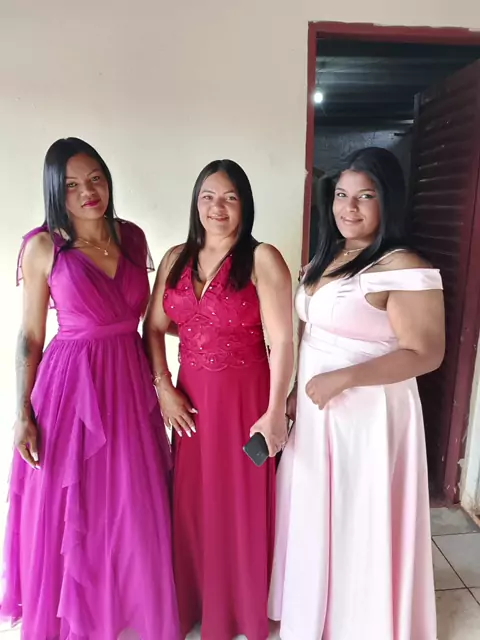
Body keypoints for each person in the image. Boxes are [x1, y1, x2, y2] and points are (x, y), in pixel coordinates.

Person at [0, 138, 180, 640]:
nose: (87, 192)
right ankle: (74, 614)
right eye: (72, 185)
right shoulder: (43, 247)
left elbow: (153, 320)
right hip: (69, 387)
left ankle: (123, 604)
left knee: (130, 498)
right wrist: (22, 412)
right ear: (55, 192)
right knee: (73, 502)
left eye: (95, 178)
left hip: (129, 378)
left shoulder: (134, 238)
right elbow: (30, 335)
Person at [268, 147, 445, 640]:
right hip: (316, 407)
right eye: (341, 195)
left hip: (369, 414)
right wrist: (292, 393)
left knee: (357, 512)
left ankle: (359, 621)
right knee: (316, 508)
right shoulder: (329, 255)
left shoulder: (403, 266)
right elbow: (311, 331)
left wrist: (345, 378)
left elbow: (426, 353)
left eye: (365, 196)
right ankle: (314, 611)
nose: (349, 208)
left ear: (388, 200)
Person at [144, 159, 293, 640]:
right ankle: (196, 601)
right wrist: (164, 387)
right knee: (194, 504)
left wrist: (275, 411)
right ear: (196, 202)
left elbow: (283, 341)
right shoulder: (175, 258)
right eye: (208, 196)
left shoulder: (263, 258)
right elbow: (154, 327)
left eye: (230, 197)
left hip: (246, 402)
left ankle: (241, 611)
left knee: (240, 507)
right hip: (190, 403)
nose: (217, 207)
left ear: (245, 204)